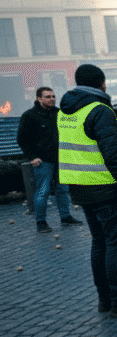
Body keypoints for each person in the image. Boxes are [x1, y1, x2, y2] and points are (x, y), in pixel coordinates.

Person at [58, 64, 117, 316]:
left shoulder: (65, 111)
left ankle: (105, 300)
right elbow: (113, 155)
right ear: (101, 83)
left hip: (80, 188)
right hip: (107, 189)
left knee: (99, 243)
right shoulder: (100, 110)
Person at [18, 86, 83, 232]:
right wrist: (32, 157)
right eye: (48, 97)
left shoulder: (59, 113)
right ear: (39, 98)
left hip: (60, 159)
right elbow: (22, 139)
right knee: (42, 191)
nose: (52, 99)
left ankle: (65, 217)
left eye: (53, 96)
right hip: (42, 161)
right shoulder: (30, 115)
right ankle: (41, 222)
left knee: (63, 189)